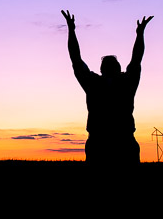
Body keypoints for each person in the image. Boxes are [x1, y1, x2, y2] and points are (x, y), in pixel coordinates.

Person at [61, 10, 153, 164]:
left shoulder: (103, 83)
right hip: (105, 143)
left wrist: (140, 34)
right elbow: (76, 59)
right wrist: (71, 31)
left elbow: (76, 59)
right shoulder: (108, 82)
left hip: (119, 143)